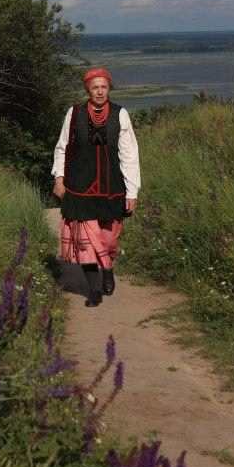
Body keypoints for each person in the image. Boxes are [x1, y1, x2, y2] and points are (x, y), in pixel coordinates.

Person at [52, 67, 140, 306]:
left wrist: (132, 192)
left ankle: (108, 268)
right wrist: (59, 178)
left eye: (104, 87)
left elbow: (130, 155)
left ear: (109, 88)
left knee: (108, 240)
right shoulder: (75, 113)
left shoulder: (120, 114)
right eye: (95, 87)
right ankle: (94, 291)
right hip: (79, 185)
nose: (100, 92)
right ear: (87, 90)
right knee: (86, 240)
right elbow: (62, 147)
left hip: (112, 185)